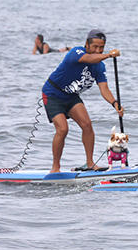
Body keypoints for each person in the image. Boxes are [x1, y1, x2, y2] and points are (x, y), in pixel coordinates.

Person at [41, 29, 124, 173]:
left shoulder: (99, 66)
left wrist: (115, 103)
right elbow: (88, 59)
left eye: (101, 47)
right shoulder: (76, 52)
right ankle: (55, 168)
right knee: (62, 129)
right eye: (95, 47)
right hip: (53, 93)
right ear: (87, 44)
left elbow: (104, 89)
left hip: (71, 96)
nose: (98, 50)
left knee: (87, 125)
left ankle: (90, 163)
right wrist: (109, 55)